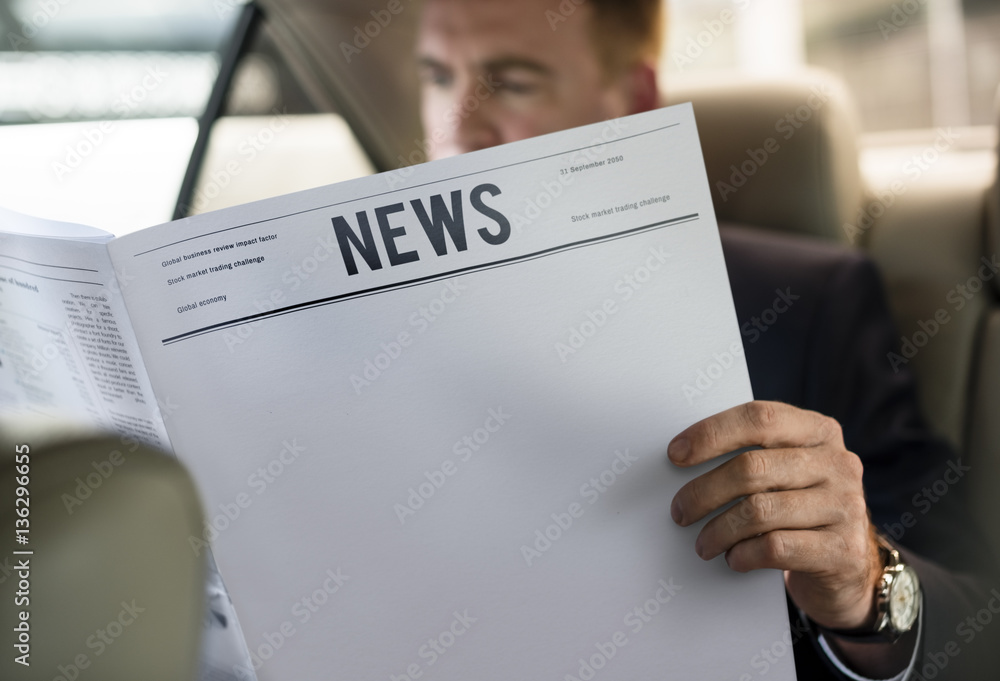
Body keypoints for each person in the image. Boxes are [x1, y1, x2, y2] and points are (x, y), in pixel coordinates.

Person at [415, 1, 998, 679]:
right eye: (436, 78)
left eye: (511, 83)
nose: (456, 130)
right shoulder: (352, 342)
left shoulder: (803, 307)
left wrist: (865, 584)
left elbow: (975, 625)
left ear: (629, 101)